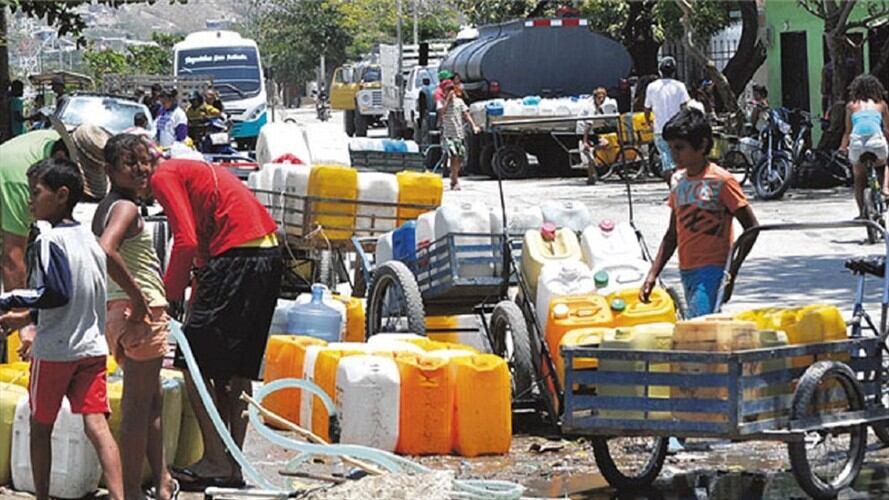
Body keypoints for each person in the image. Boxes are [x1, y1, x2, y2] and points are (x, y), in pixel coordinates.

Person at [148, 158, 280, 490]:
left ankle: (215, 460)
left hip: (236, 258)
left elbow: (186, 241)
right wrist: (196, 292)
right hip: (266, 254)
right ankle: (232, 464)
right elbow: (203, 242)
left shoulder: (163, 175)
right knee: (236, 371)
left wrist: (165, 298)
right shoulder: (193, 171)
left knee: (193, 363)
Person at [0, 158, 124, 500]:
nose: (29, 200)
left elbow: (55, 293)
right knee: (97, 425)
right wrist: (26, 319)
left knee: (41, 427)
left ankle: (42, 496)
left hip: (56, 351)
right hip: (91, 349)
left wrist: (10, 300)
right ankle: (119, 496)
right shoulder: (90, 238)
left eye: (36, 192)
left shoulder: (47, 240)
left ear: (61, 195)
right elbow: (77, 296)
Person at [93, 134, 178, 500]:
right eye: (132, 163)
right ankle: (128, 491)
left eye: (146, 161)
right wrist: (140, 300)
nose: (142, 169)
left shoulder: (108, 205)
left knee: (151, 401)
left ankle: (161, 482)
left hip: (120, 314)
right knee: (137, 407)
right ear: (110, 170)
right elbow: (105, 250)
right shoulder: (124, 208)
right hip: (140, 315)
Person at [641, 108, 758, 318]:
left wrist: (731, 272)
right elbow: (672, 235)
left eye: (680, 148)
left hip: (713, 269)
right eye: (670, 148)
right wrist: (652, 274)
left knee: (700, 328)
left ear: (702, 145)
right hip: (686, 269)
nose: (673, 154)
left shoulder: (722, 181)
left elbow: (752, 228)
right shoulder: (678, 181)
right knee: (704, 332)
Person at [839, 74, 889, 217]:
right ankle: (886, 188)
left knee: (859, 176)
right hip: (876, 142)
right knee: (885, 163)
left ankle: (862, 213)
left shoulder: (851, 106)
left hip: (857, 143)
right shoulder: (881, 105)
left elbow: (847, 132)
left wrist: (842, 148)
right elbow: (887, 129)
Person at [645, 57, 690, 184]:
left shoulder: (652, 87)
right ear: (674, 71)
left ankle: (672, 189)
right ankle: (681, 187)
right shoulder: (680, 86)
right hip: (678, 128)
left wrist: (649, 121)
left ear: (660, 71)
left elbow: (647, 108)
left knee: (666, 159)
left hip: (660, 129)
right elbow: (685, 106)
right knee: (679, 157)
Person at [437, 79, 480, 191]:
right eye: (448, 89)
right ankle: (455, 181)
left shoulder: (459, 102)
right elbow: (442, 113)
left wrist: (474, 125)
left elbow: (466, 114)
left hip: (459, 133)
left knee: (460, 157)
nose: (450, 91)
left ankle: (453, 176)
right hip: (448, 134)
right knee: (453, 156)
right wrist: (447, 100)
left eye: (452, 89)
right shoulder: (441, 102)